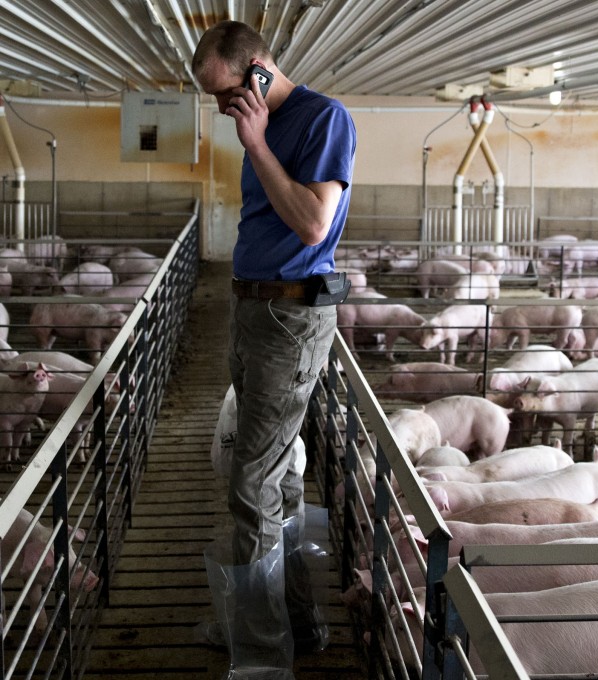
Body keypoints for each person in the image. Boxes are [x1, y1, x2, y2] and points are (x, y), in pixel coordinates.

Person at [191, 19, 355, 662]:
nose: (224, 106)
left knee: (250, 482)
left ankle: (257, 645)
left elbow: (314, 224)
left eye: (227, 91)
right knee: (275, 478)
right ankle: (296, 622)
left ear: (259, 68)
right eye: (216, 98)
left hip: (289, 319)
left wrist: (256, 142)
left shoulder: (322, 119)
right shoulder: (255, 122)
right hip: (253, 310)